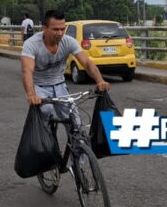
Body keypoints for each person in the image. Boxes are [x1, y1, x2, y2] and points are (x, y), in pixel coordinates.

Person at [21, 10, 110, 170]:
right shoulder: (31, 44)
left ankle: (78, 167)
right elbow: (27, 70)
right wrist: (31, 95)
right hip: (39, 86)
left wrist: (100, 80)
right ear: (44, 28)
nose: (60, 33)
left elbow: (87, 63)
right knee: (45, 111)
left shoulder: (68, 41)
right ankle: (48, 150)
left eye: (63, 29)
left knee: (76, 124)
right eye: (55, 29)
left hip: (60, 85)